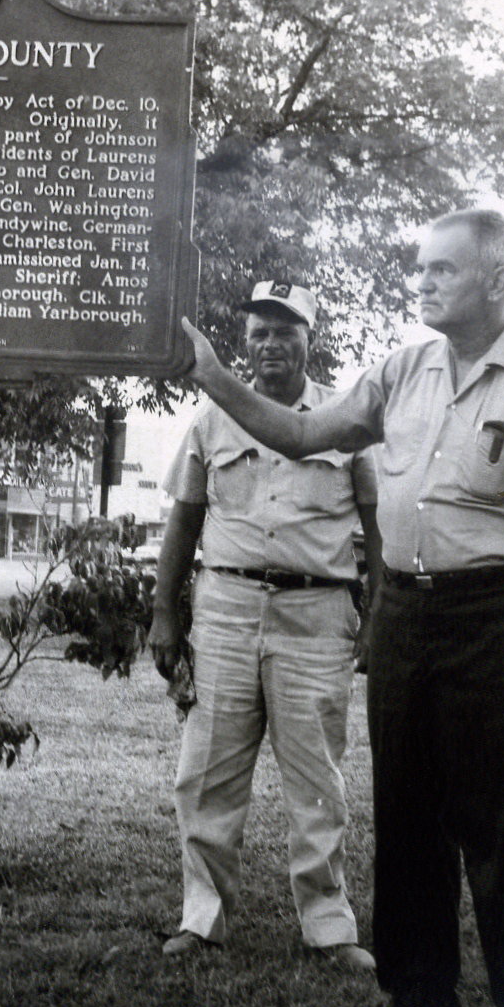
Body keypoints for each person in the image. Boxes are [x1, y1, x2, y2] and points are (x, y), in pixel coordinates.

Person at [178, 210, 504, 1007]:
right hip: (404, 611)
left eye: (442, 270)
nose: (423, 283)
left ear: (498, 276)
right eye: (421, 269)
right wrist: (212, 375)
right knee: (406, 818)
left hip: (501, 615)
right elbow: (298, 433)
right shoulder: (403, 372)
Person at [148, 281, 382, 971]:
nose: (272, 344)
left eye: (287, 331)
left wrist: (376, 619)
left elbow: (378, 528)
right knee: (207, 771)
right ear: (244, 342)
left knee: (317, 777)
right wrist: (166, 612)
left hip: (317, 613)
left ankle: (329, 926)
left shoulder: (345, 418)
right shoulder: (209, 418)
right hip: (225, 607)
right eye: (259, 333)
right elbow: (183, 521)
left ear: (312, 338)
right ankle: (202, 918)